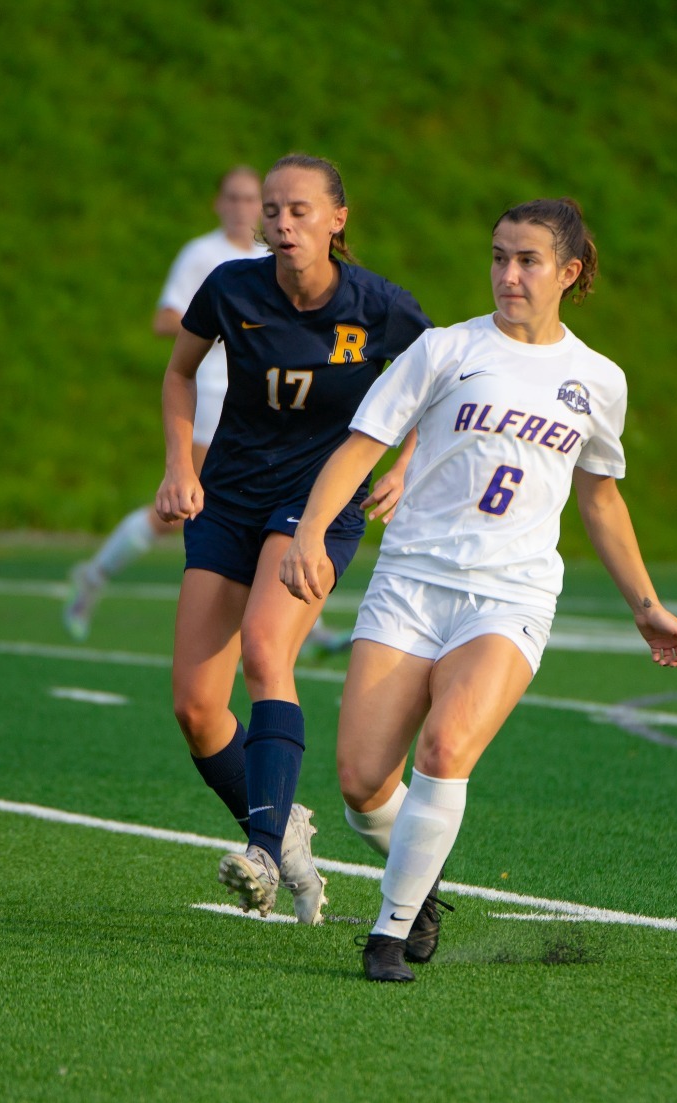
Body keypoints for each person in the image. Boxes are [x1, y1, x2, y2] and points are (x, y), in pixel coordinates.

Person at [279, 197, 677, 980]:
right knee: (363, 784)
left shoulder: (598, 380)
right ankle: (422, 878)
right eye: (499, 256)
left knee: (445, 748)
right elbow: (360, 446)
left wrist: (647, 605)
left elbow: (601, 496)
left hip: (511, 594)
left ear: (569, 273)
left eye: (528, 260)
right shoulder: (444, 350)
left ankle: (388, 935)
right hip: (410, 581)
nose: (509, 273)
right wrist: (308, 532)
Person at [158, 154, 433, 923]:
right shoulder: (231, 288)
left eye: (301, 211)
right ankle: (283, 836)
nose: (282, 224)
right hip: (230, 496)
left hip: (318, 504)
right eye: (272, 211)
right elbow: (179, 375)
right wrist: (180, 465)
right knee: (194, 706)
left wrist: (404, 465)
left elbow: (442, 385)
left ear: (338, 219)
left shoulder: (379, 305)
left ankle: (262, 850)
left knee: (265, 651)